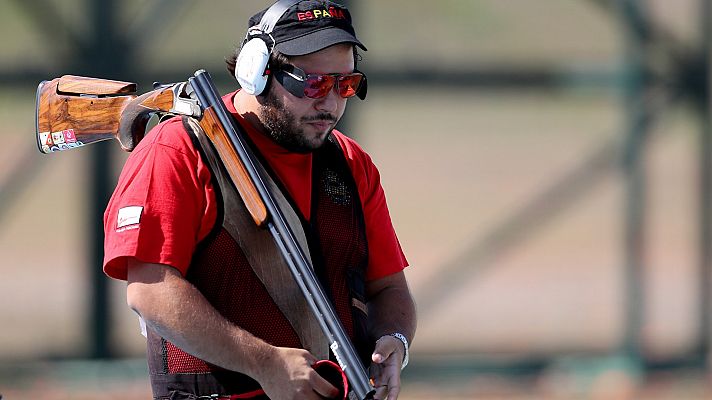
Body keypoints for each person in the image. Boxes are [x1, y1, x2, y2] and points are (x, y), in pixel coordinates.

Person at [102, 1, 417, 399]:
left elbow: (389, 288)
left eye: (346, 85)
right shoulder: (178, 150)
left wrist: (395, 340)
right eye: (314, 84)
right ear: (257, 71)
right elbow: (150, 291)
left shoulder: (352, 164)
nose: (331, 103)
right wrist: (264, 363)